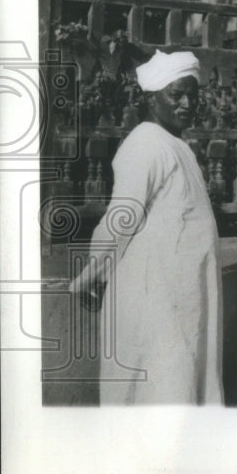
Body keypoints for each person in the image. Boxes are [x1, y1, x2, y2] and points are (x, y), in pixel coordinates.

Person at [68, 50, 223, 405]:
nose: (187, 103)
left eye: (192, 95)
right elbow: (122, 217)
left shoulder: (176, 144)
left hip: (180, 291)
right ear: (151, 97)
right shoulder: (145, 144)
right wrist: (93, 272)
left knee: (179, 381)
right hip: (155, 293)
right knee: (159, 383)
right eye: (176, 94)